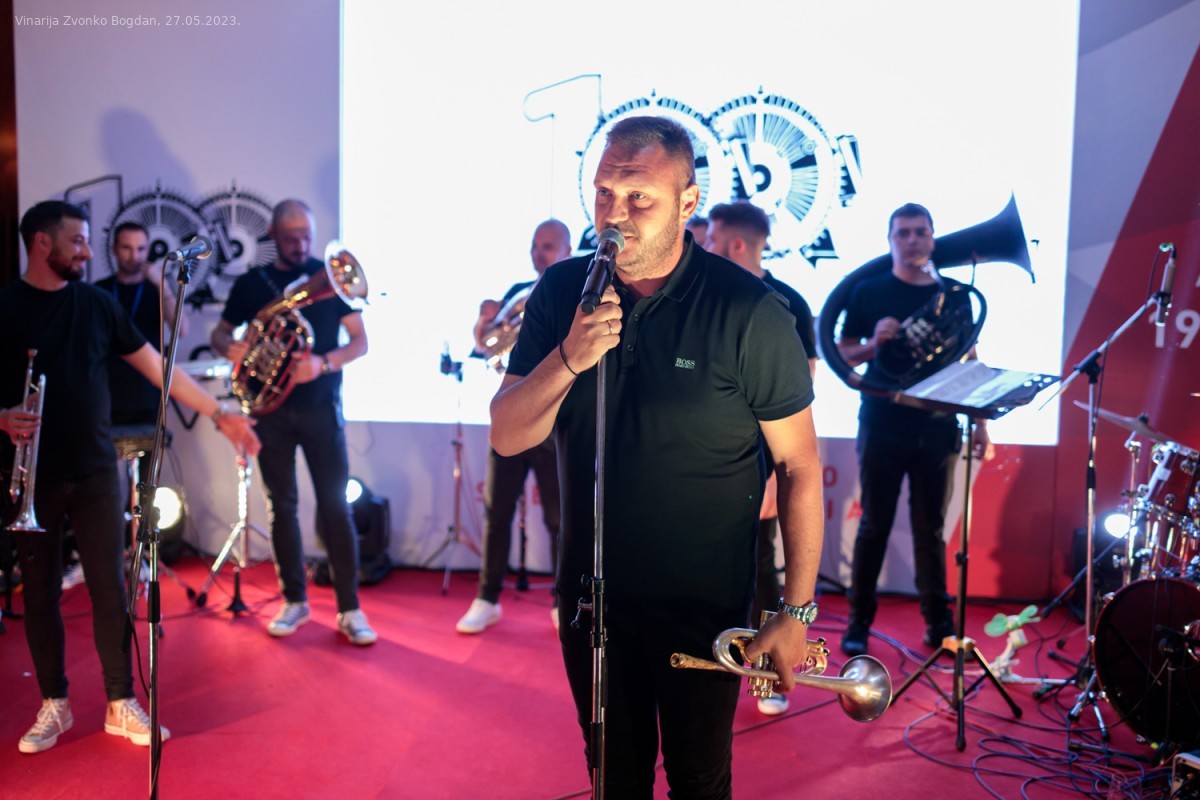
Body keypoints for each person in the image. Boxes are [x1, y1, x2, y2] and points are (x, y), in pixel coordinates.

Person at [491, 116, 824, 798]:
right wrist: (569, 358)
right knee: (613, 777)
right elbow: (507, 434)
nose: (615, 215)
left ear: (688, 202)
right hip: (591, 604)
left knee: (699, 781)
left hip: (703, 610)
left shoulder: (749, 311)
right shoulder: (562, 293)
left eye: (638, 197)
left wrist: (795, 613)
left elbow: (799, 467)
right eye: (604, 193)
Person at [0, 200, 260, 754]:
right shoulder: (5, 307)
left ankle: (121, 702)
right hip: (35, 476)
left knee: (110, 587)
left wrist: (220, 415)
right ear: (42, 243)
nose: (87, 251)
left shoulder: (97, 305)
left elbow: (160, 369)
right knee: (40, 595)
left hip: (96, 470)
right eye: (77, 241)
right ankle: (54, 703)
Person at [211, 199, 376, 646]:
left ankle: (350, 608)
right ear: (273, 236)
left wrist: (322, 363)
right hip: (269, 412)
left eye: (307, 236)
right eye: (291, 238)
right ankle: (294, 600)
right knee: (280, 506)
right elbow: (219, 333)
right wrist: (231, 347)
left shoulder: (330, 277)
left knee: (335, 506)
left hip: (321, 408)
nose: (301, 245)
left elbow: (360, 343)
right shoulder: (251, 283)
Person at [835, 202, 993, 657]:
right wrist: (873, 343)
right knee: (874, 524)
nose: (911, 240)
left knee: (931, 529)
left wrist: (982, 424)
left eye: (920, 232)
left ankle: (938, 622)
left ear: (932, 238)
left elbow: (970, 360)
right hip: (882, 420)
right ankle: (859, 621)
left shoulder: (956, 296)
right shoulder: (868, 291)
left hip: (938, 425)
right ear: (890, 240)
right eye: (902, 233)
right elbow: (841, 353)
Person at [705, 200, 818, 716]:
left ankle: (772, 674)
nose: (703, 247)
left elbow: (801, 394)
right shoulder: (704, 296)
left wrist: (775, 475)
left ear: (736, 244)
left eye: (711, 239)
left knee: (764, 562)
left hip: (767, 459)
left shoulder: (788, 302)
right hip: (709, 462)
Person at [455, 219, 571, 634]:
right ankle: (487, 598)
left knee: (560, 518)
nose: (540, 253)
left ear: (567, 249)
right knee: (496, 511)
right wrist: (482, 323)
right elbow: (484, 348)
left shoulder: (577, 291)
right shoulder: (518, 292)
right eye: (536, 245)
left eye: (549, 246)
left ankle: (563, 601)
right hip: (514, 416)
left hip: (555, 421)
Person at [94, 221, 189, 427]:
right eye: (126, 248)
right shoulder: (100, 290)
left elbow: (181, 329)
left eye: (141, 249)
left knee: (150, 445)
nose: (134, 256)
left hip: (148, 389)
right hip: (106, 389)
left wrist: (161, 285)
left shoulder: (158, 289)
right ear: (114, 249)